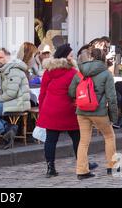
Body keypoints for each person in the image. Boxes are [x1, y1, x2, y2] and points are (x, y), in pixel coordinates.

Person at [69, 48, 118, 180]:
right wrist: (114, 117)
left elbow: (71, 92)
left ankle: (81, 171)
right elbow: (112, 98)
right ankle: (111, 166)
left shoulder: (81, 72)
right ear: (103, 58)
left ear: (91, 57)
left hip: (82, 111)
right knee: (109, 136)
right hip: (99, 112)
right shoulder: (106, 74)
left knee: (83, 141)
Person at [36, 44, 81, 177]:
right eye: (71, 55)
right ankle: (82, 164)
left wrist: (42, 110)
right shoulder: (73, 72)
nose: (73, 58)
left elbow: (42, 92)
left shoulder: (48, 71)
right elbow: (76, 92)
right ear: (65, 57)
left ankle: (50, 168)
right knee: (77, 137)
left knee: (51, 140)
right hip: (68, 109)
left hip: (51, 109)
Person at [0, 48, 31, 149]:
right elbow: (4, 90)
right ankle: (8, 128)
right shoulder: (5, 70)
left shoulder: (13, 71)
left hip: (18, 103)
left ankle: (5, 131)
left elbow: (11, 94)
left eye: (1, 57)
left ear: (8, 57)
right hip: (13, 101)